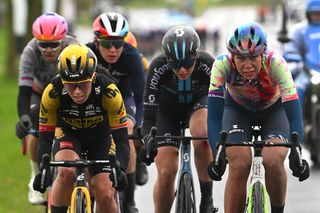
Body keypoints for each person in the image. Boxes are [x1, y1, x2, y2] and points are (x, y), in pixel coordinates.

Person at [207, 22, 310, 213]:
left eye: (253, 57)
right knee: (238, 163)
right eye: (240, 58)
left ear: (263, 53)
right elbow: (213, 117)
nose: (247, 65)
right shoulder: (221, 65)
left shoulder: (276, 63)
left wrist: (297, 152)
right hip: (237, 110)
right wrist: (217, 153)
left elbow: (295, 114)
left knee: (273, 159)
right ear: (232, 56)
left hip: (274, 110)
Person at [32, 43, 129, 213]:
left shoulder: (109, 91)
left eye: (82, 84)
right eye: (70, 85)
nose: (77, 92)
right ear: (62, 81)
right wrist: (43, 169)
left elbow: (121, 138)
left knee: (105, 193)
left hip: (100, 136)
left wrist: (120, 170)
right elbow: (46, 137)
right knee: (67, 172)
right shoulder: (53, 91)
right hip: (68, 134)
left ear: (92, 77)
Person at [139, 25, 216, 213]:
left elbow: (220, 107)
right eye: (176, 64)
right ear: (167, 58)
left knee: (202, 135)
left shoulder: (208, 64)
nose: (181, 69)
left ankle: (207, 199)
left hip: (198, 105)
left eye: (188, 64)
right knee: (166, 172)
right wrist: (147, 138)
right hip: (167, 111)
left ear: (196, 56)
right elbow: (148, 115)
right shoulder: (157, 66)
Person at [15, 12, 77, 205]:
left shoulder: (74, 48)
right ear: (36, 41)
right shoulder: (29, 51)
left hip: (68, 93)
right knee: (35, 128)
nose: (48, 50)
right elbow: (24, 91)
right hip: (39, 93)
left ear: (64, 39)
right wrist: (24, 117)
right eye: (43, 44)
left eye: (54, 44)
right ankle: (35, 176)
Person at [86, 12, 145, 213]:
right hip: (95, 101)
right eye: (106, 43)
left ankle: (129, 200)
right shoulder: (86, 53)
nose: (112, 50)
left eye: (118, 43)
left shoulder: (131, 55)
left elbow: (141, 96)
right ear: (96, 41)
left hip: (124, 99)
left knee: (127, 131)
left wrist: (139, 124)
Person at [124, 31, 149, 186]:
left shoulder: (141, 61)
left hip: (132, 96)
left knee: (136, 131)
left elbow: (144, 91)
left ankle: (139, 161)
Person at [283, 0, 320, 103]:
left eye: (319, 13)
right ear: (308, 14)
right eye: (315, 13)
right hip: (309, 71)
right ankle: (297, 118)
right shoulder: (299, 30)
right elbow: (291, 47)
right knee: (296, 90)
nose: (317, 16)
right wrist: (292, 54)